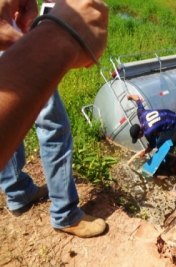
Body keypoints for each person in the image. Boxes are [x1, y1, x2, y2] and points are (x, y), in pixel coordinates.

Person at [0, 0, 109, 237]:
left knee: (17, 109)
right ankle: (65, 214)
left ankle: (18, 191)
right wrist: (57, 36)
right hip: (14, 26)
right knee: (54, 127)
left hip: (8, 20)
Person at [127, 94, 176, 158]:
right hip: (170, 113)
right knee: (157, 133)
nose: (139, 138)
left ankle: (170, 156)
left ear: (140, 132)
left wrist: (144, 152)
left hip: (173, 122)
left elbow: (152, 146)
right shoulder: (141, 114)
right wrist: (130, 96)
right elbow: (137, 99)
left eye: (138, 137)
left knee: (159, 144)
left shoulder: (148, 133)